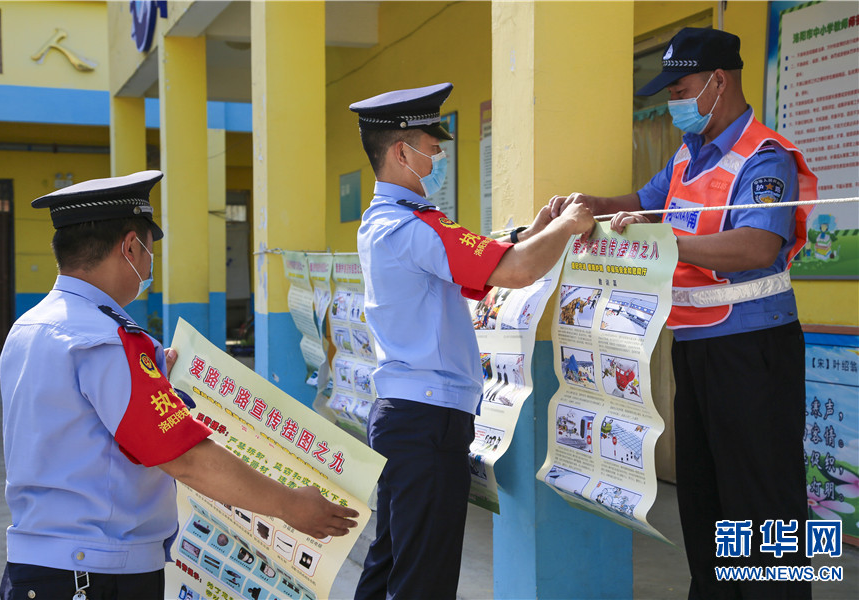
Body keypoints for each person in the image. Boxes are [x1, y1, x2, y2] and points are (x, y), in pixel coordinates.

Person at [0, 171, 359, 599]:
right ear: (130, 246)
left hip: (37, 567)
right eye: (149, 252)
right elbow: (184, 458)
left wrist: (153, 385)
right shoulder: (109, 340)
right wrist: (290, 505)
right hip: (96, 575)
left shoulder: (30, 326)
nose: (149, 265)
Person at [555, 28, 817, 599]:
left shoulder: (765, 157)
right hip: (696, 346)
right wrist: (594, 206)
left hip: (754, 350)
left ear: (719, 82)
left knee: (762, 502)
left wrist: (663, 239)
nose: (673, 99)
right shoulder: (686, 156)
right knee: (704, 497)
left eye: (682, 86)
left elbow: (756, 246)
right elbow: (643, 204)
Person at [349, 82, 595, 599]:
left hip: (402, 414)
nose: (438, 157)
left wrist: (535, 231)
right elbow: (517, 270)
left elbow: (487, 253)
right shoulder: (414, 228)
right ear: (400, 153)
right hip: (427, 422)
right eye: (431, 147)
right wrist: (572, 225)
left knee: (390, 562)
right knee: (423, 580)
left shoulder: (384, 223)